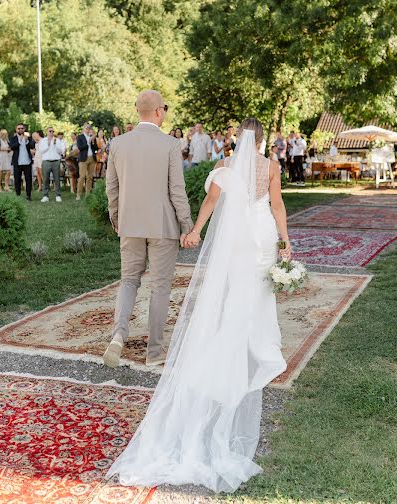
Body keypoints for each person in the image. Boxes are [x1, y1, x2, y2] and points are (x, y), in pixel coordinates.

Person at [108, 117, 291, 492]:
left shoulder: (224, 168)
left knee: (233, 289)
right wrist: (285, 239)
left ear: (237, 139)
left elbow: (211, 201)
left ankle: (234, 335)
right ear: (259, 141)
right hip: (262, 234)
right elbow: (277, 206)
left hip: (237, 238)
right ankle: (259, 341)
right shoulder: (270, 167)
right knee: (259, 289)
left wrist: (195, 231)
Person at [104, 89, 193, 369]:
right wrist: (187, 224)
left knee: (129, 280)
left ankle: (119, 334)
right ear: (158, 111)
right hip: (162, 225)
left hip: (130, 223)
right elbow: (176, 190)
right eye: (164, 108)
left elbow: (111, 187)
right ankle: (154, 352)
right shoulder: (170, 144)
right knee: (160, 287)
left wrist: (116, 217)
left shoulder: (118, 144)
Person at [39, 127, 65, 203]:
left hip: (56, 161)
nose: (51, 132)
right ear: (47, 132)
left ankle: (58, 195)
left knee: (56, 178)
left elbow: (60, 151)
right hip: (46, 161)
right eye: (50, 131)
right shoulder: (43, 140)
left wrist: (54, 144)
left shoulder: (57, 140)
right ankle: (45, 195)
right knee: (45, 179)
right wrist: (48, 144)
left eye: (53, 131)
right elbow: (41, 151)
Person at [9, 124, 35, 200]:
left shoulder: (28, 138)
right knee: (17, 179)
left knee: (28, 179)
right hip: (17, 162)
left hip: (27, 162)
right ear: (16, 129)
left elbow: (32, 146)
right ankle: (18, 195)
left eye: (22, 128)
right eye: (19, 128)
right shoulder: (13, 138)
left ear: (24, 129)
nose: (20, 130)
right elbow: (12, 147)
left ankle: (29, 195)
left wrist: (26, 141)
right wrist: (19, 141)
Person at [76, 123, 97, 200]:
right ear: (83, 129)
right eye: (86, 128)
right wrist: (88, 141)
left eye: (89, 128)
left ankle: (88, 194)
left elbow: (96, 148)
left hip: (92, 158)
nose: (88, 129)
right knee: (82, 177)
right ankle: (78, 194)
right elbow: (80, 147)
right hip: (83, 159)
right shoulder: (80, 137)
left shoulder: (92, 137)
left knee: (89, 177)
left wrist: (93, 141)